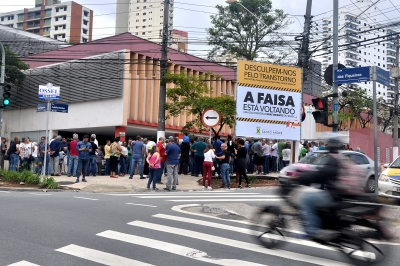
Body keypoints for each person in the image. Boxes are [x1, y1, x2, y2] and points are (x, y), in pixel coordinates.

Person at [297, 134, 343, 241]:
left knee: (307, 199)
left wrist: (302, 177)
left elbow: (320, 174)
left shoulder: (332, 159)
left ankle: (312, 230)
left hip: (334, 194)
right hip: (337, 193)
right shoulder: (338, 158)